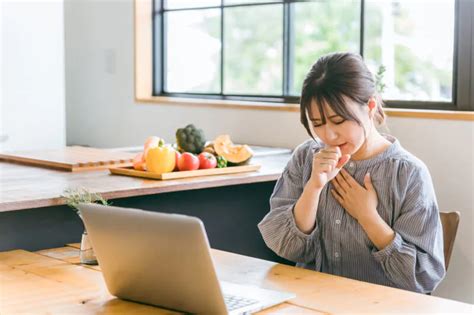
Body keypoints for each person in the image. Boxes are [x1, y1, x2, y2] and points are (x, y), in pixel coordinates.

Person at [258, 52, 445, 293]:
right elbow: (283, 246)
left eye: (338, 120)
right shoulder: (306, 157)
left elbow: (422, 277)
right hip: (311, 301)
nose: (328, 135)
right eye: (317, 123)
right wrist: (313, 187)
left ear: (370, 107)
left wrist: (368, 217)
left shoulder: (408, 173)